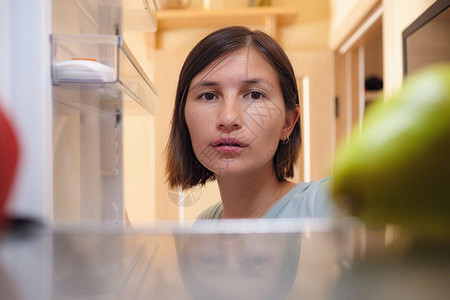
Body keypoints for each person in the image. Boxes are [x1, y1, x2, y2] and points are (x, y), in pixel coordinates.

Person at [166, 26, 333, 219]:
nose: (228, 118)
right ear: (183, 118)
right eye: (209, 96)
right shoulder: (204, 224)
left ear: (288, 122)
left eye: (254, 95)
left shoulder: (324, 205)